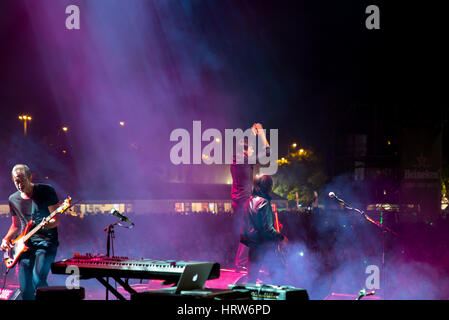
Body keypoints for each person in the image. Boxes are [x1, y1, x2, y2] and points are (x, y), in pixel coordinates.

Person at [1, 164, 61, 300]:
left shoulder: (46, 191)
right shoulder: (13, 199)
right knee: (25, 289)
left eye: (22, 180)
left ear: (30, 177)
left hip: (46, 242)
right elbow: (16, 226)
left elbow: (56, 220)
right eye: (16, 181)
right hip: (24, 245)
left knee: (38, 280)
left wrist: (47, 225)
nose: (19, 184)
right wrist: (6, 238)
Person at [231, 123, 270, 272]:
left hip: (239, 200)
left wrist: (252, 135)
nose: (254, 151)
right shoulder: (243, 159)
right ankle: (242, 264)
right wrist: (260, 133)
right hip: (243, 201)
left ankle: (244, 264)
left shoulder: (237, 159)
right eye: (252, 149)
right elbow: (267, 151)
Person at [239, 174, 287, 283]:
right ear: (266, 186)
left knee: (251, 279)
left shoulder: (249, 201)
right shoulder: (264, 202)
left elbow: (253, 223)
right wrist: (281, 237)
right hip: (265, 246)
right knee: (277, 277)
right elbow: (267, 229)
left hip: (253, 245)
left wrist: (275, 225)